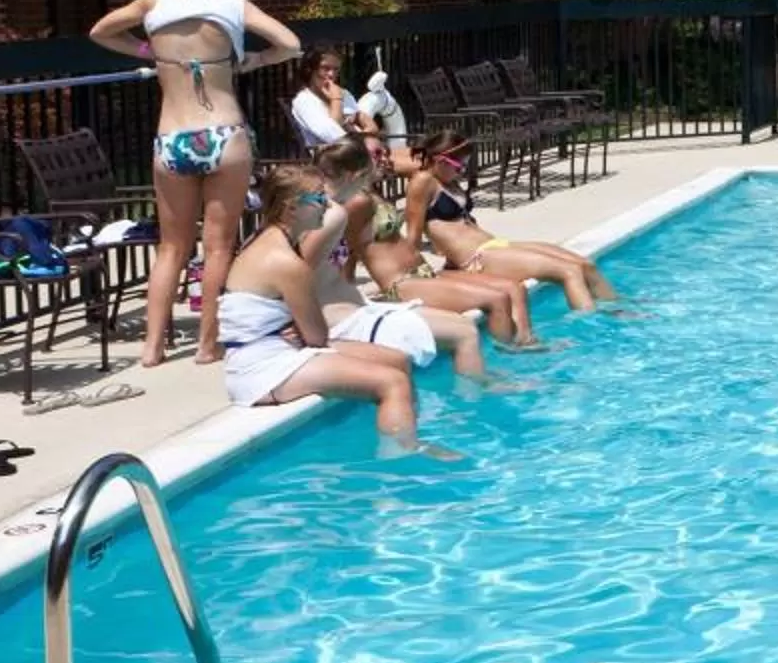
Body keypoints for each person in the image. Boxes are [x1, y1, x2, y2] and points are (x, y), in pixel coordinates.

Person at [89, 0, 303, 367]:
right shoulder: (232, 6)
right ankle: (207, 344)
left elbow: (100, 32)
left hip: (172, 139)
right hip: (223, 134)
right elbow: (291, 43)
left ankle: (152, 347)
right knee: (218, 246)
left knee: (171, 248)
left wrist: (147, 49)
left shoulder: (153, 4)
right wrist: (255, 61)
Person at [214, 166, 451, 455]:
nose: (327, 207)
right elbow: (316, 337)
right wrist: (298, 333)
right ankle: (402, 460)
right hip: (260, 370)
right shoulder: (287, 262)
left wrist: (294, 330)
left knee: (398, 359)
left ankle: (390, 434)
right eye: (318, 200)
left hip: (277, 347)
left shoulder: (271, 240)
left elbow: (306, 331)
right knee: (392, 382)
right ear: (291, 208)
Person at [309, 142, 497, 382]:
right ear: (355, 175)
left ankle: (476, 391)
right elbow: (297, 268)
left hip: (354, 307)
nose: (384, 161)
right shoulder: (332, 214)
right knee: (464, 334)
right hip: (338, 318)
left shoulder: (334, 209)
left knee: (465, 328)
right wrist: (303, 325)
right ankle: (476, 401)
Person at [402, 130, 619, 313]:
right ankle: (592, 331)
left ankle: (619, 312)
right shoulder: (422, 181)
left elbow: (459, 226)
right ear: (440, 161)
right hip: (478, 258)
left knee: (584, 265)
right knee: (567, 272)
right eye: (459, 167)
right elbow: (413, 235)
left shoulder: (448, 182)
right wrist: (409, 278)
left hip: (495, 246)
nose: (463, 171)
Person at [357, 140, 545, 349]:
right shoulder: (355, 201)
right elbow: (343, 248)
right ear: (355, 157)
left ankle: (526, 343)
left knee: (513, 287)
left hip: (424, 271)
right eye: (377, 153)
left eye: (385, 151)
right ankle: (511, 358)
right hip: (401, 283)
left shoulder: (372, 194)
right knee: (496, 299)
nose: (386, 157)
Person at [289, 50, 374, 151]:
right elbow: (334, 136)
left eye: (336, 69)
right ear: (310, 69)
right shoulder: (304, 101)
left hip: (361, 150)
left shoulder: (344, 93)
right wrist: (336, 99)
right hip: (333, 158)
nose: (331, 74)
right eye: (325, 68)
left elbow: (365, 122)